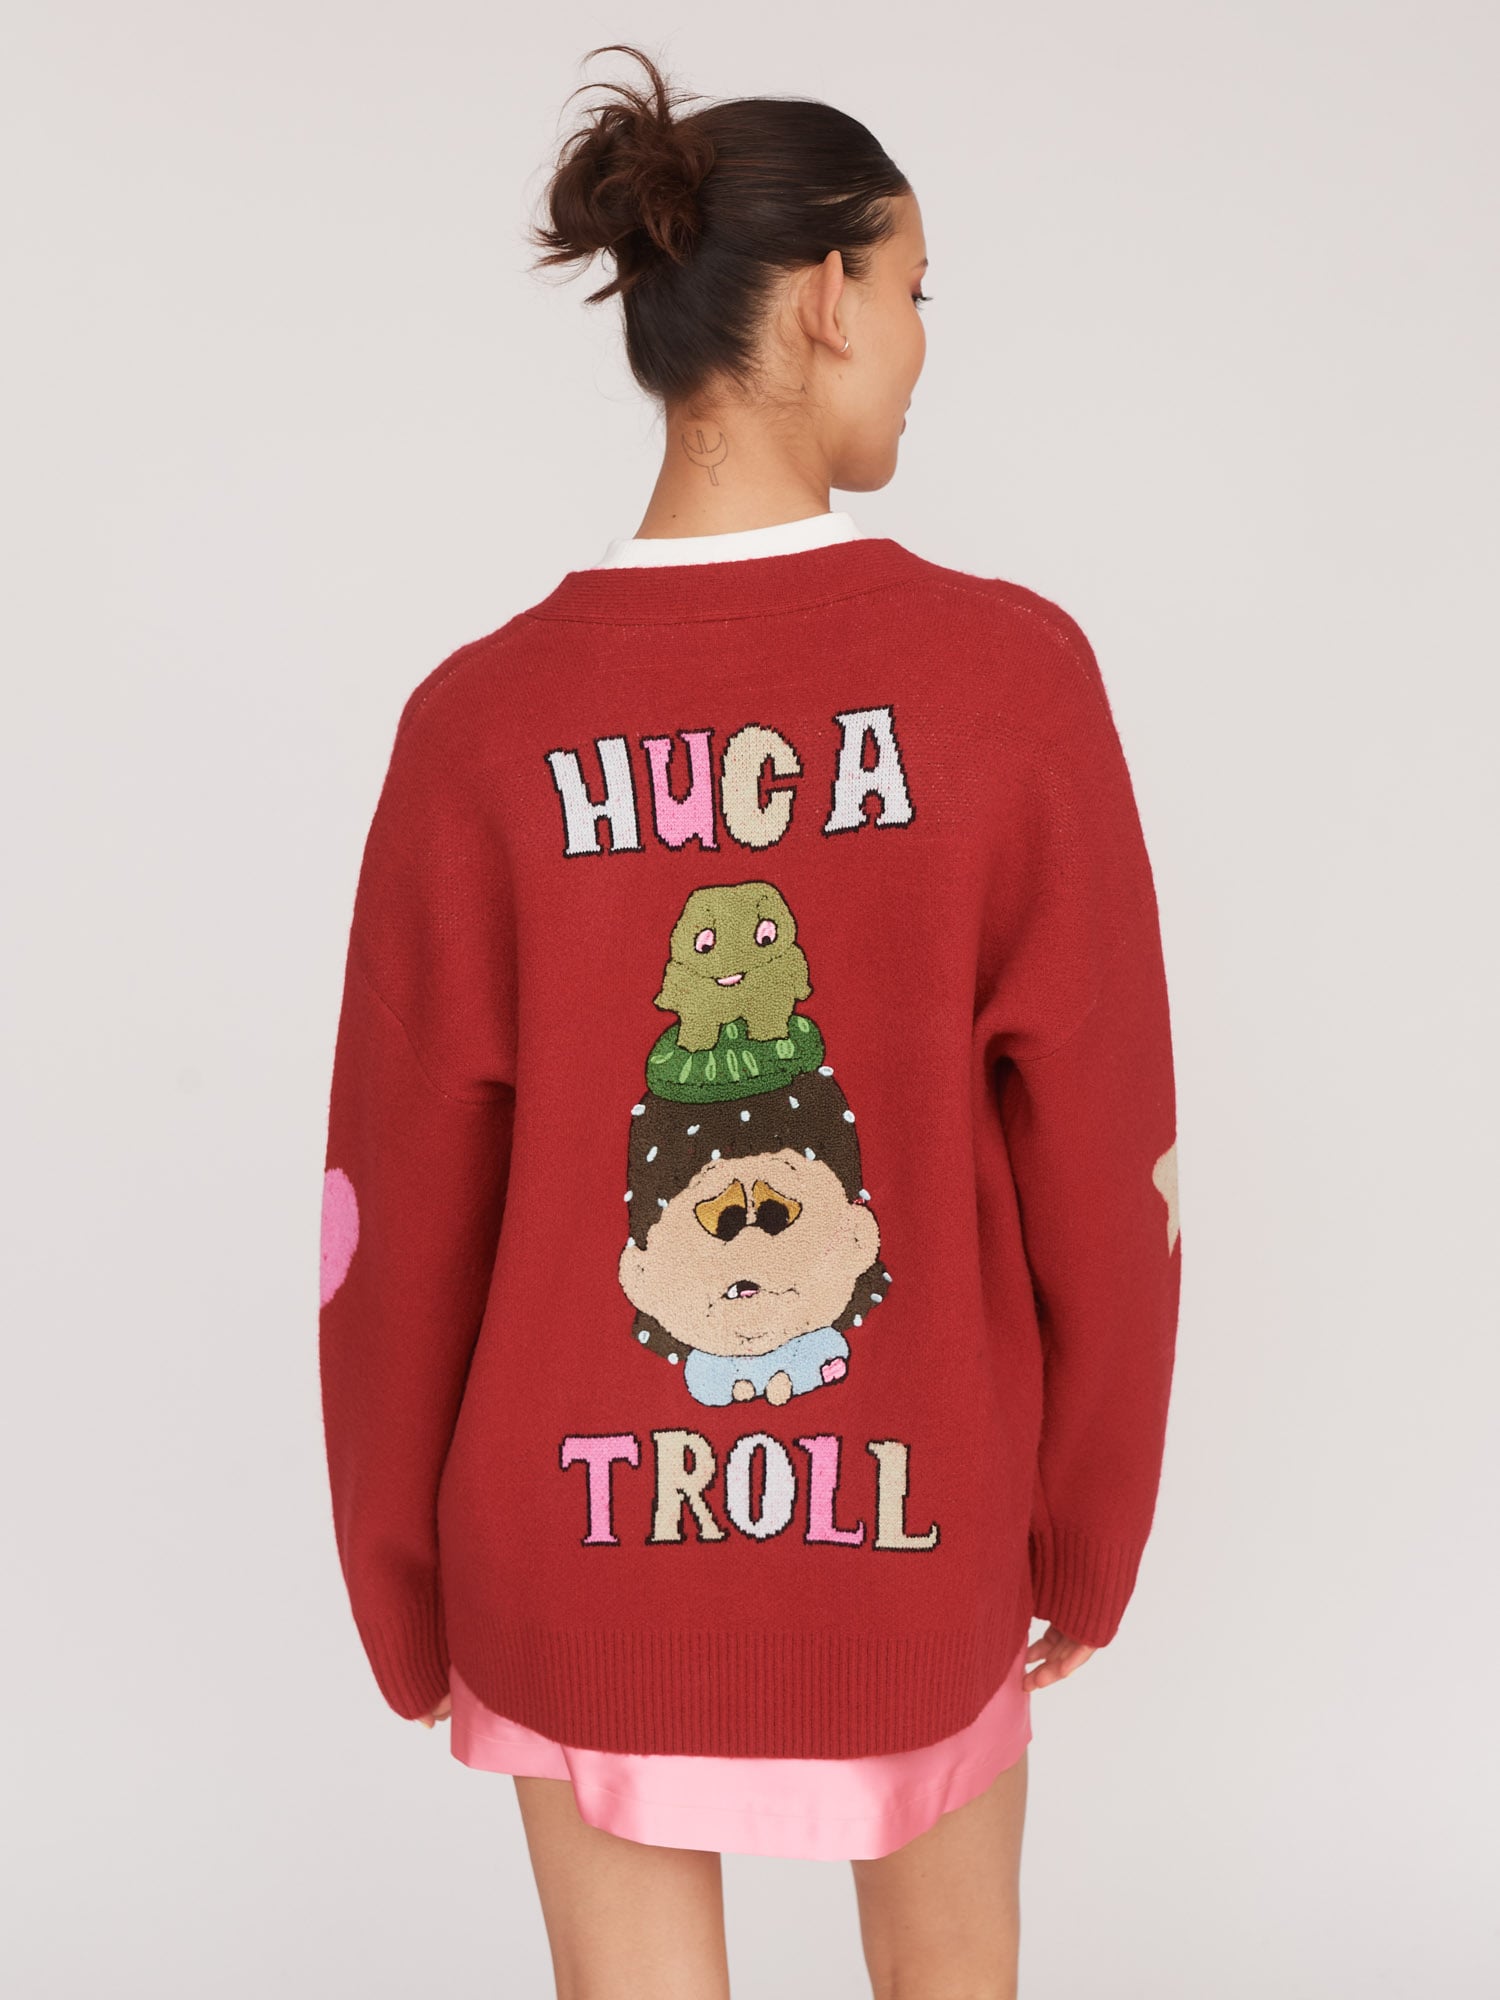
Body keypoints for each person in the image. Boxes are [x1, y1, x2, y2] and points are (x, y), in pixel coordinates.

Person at [317, 41, 1182, 2000]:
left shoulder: (480, 723)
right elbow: (1112, 1160)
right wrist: (1084, 1526)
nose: (925, 344)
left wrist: (403, 1582)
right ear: (828, 298)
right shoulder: (1011, 681)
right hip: (922, 1530)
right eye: (919, 290)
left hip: (568, 1553)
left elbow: (391, 1205)